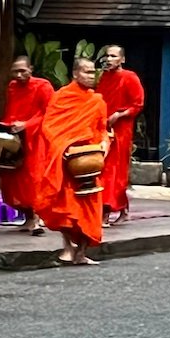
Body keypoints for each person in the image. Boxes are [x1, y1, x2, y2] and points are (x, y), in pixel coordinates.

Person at [36, 58, 108, 266]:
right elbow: (49, 127)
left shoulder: (97, 101)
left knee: (91, 208)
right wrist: (65, 147)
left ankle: (82, 252)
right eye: (86, 72)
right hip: (67, 161)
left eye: (93, 73)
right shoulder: (61, 98)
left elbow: (102, 129)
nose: (90, 76)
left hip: (90, 161)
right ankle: (67, 247)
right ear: (75, 73)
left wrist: (104, 143)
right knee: (66, 207)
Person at [0, 55, 54, 235]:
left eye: (23, 71)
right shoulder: (12, 87)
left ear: (31, 69)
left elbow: (49, 113)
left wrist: (27, 125)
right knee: (12, 179)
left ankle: (37, 219)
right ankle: (28, 217)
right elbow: (11, 111)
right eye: (15, 71)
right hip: (15, 138)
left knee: (34, 179)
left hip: (35, 139)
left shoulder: (43, 86)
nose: (19, 75)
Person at [96, 45, 145, 227]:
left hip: (121, 130)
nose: (109, 59)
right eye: (107, 56)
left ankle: (105, 214)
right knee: (107, 170)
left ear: (122, 59)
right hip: (102, 129)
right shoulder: (104, 78)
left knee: (112, 171)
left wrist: (119, 115)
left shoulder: (129, 77)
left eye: (113, 56)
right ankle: (123, 209)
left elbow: (137, 104)